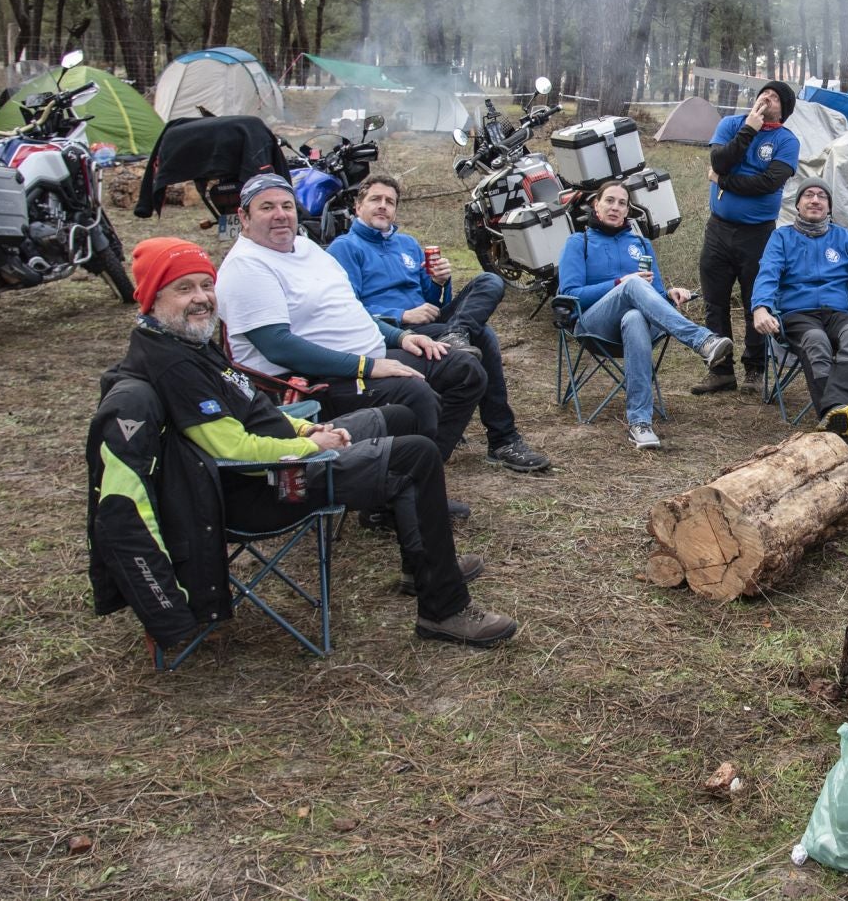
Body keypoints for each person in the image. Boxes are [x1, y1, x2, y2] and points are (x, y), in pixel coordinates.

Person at [99, 237, 518, 648]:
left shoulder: (184, 344)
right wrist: (312, 448)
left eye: (206, 285)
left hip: (284, 455)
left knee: (402, 417)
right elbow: (233, 450)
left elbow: (249, 413)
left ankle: (420, 563)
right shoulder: (172, 365)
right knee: (417, 455)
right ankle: (443, 608)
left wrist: (305, 430)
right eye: (183, 288)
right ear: (152, 297)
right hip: (266, 485)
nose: (202, 298)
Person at [214, 174, 537, 475]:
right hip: (323, 373)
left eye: (286, 206)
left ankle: (424, 470)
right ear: (244, 217)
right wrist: (384, 344)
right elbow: (277, 345)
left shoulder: (313, 248)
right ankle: (415, 476)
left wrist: (426, 305)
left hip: (386, 338)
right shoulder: (313, 253)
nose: (281, 214)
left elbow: (350, 309)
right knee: (438, 375)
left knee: (477, 325)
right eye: (266, 207)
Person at [327, 173, 551, 473]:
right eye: (375, 200)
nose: (383, 207)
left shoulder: (407, 245)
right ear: (358, 207)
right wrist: (399, 317)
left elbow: (436, 303)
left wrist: (440, 282)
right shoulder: (344, 248)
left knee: (490, 280)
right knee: (483, 336)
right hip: (391, 334)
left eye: (390, 202)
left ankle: (457, 334)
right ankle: (502, 438)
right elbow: (346, 309)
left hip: (432, 326)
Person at [557, 179, 735, 448]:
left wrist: (671, 294)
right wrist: (620, 283)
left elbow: (657, 294)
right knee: (632, 284)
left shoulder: (640, 244)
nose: (615, 207)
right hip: (594, 324)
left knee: (635, 317)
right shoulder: (578, 242)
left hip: (636, 328)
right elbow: (570, 295)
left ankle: (640, 423)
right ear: (596, 205)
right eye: (609, 201)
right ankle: (702, 340)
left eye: (622, 203)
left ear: (628, 211)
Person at [751, 179, 848, 451]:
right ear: (798, 204)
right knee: (816, 341)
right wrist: (760, 307)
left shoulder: (842, 237)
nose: (815, 200)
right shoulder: (782, 237)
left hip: (837, 312)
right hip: (797, 313)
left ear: (829, 207)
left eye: (821, 196)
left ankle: (836, 414)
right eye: (809, 195)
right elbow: (768, 274)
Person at [694, 81, 803, 395]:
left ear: (784, 110)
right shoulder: (731, 124)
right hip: (718, 228)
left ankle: (754, 369)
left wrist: (722, 181)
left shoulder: (786, 140)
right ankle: (720, 371)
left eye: (775, 96)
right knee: (714, 303)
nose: (766, 96)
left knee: (757, 301)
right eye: (764, 92)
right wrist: (749, 129)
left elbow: (768, 183)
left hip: (757, 234)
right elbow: (719, 161)